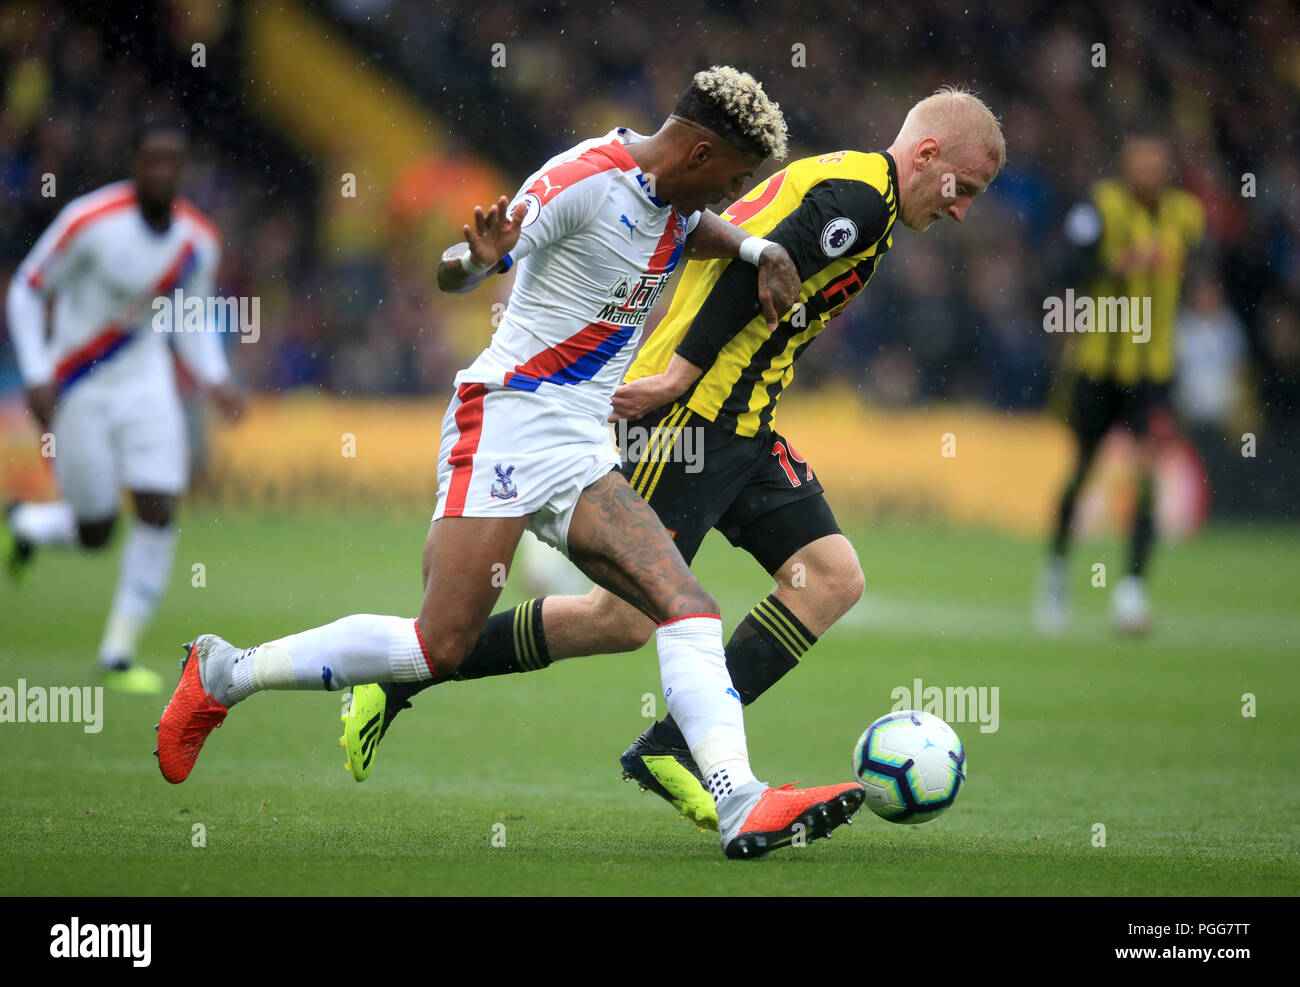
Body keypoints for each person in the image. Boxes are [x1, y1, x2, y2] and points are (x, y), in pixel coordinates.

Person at [155, 67, 867, 860]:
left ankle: (742, 802)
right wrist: (476, 258)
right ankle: (225, 672)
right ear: (699, 152)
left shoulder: (676, 197)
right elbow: (457, 267)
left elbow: (689, 228)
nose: (730, 197)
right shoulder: (580, 180)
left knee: (685, 606)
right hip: (504, 423)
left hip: (579, 443)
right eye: (733, 181)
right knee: (437, 646)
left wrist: (759, 244)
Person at [343, 86, 1006, 831]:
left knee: (829, 577)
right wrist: (680, 374)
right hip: (691, 417)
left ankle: (671, 747)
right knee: (622, 618)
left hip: (745, 420)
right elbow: (747, 270)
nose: (962, 210)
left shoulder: (856, 185)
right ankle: (402, 674)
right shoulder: (859, 197)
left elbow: (740, 245)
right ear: (927, 156)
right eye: (965, 189)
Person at [3, 120, 244, 693]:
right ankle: (25, 523)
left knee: (158, 505)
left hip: (146, 383)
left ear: (184, 172)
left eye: (172, 162)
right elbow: (26, 288)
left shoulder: (197, 241)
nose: (161, 172)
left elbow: (191, 320)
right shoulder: (89, 221)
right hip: (78, 386)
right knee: (96, 530)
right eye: (151, 160)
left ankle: (117, 654)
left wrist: (215, 378)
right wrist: (37, 374)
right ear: (135, 166)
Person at [1038, 133, 1204, 635]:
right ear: (1127, 163)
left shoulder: (1185, 216)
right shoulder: (1100, 207)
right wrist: (1116, 266)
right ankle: (1057, 575)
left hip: (1154, 374)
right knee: (1084, 469)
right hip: (1097, 368)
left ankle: (1131, 594)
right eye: (1140, 159)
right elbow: (1064, 267)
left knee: (1147, 476)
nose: (1148, 169)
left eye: (1157, 160)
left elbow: (1203, 274)